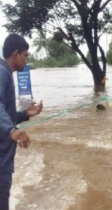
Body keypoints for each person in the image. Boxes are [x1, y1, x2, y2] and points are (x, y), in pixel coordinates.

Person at [0, 34, 43, 210]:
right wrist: (11, 130)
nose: (26, 60)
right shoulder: (2, 72)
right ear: (15, 54)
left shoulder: (5, 73)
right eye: (25, 55)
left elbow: (5, 112)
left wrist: (25, 114)